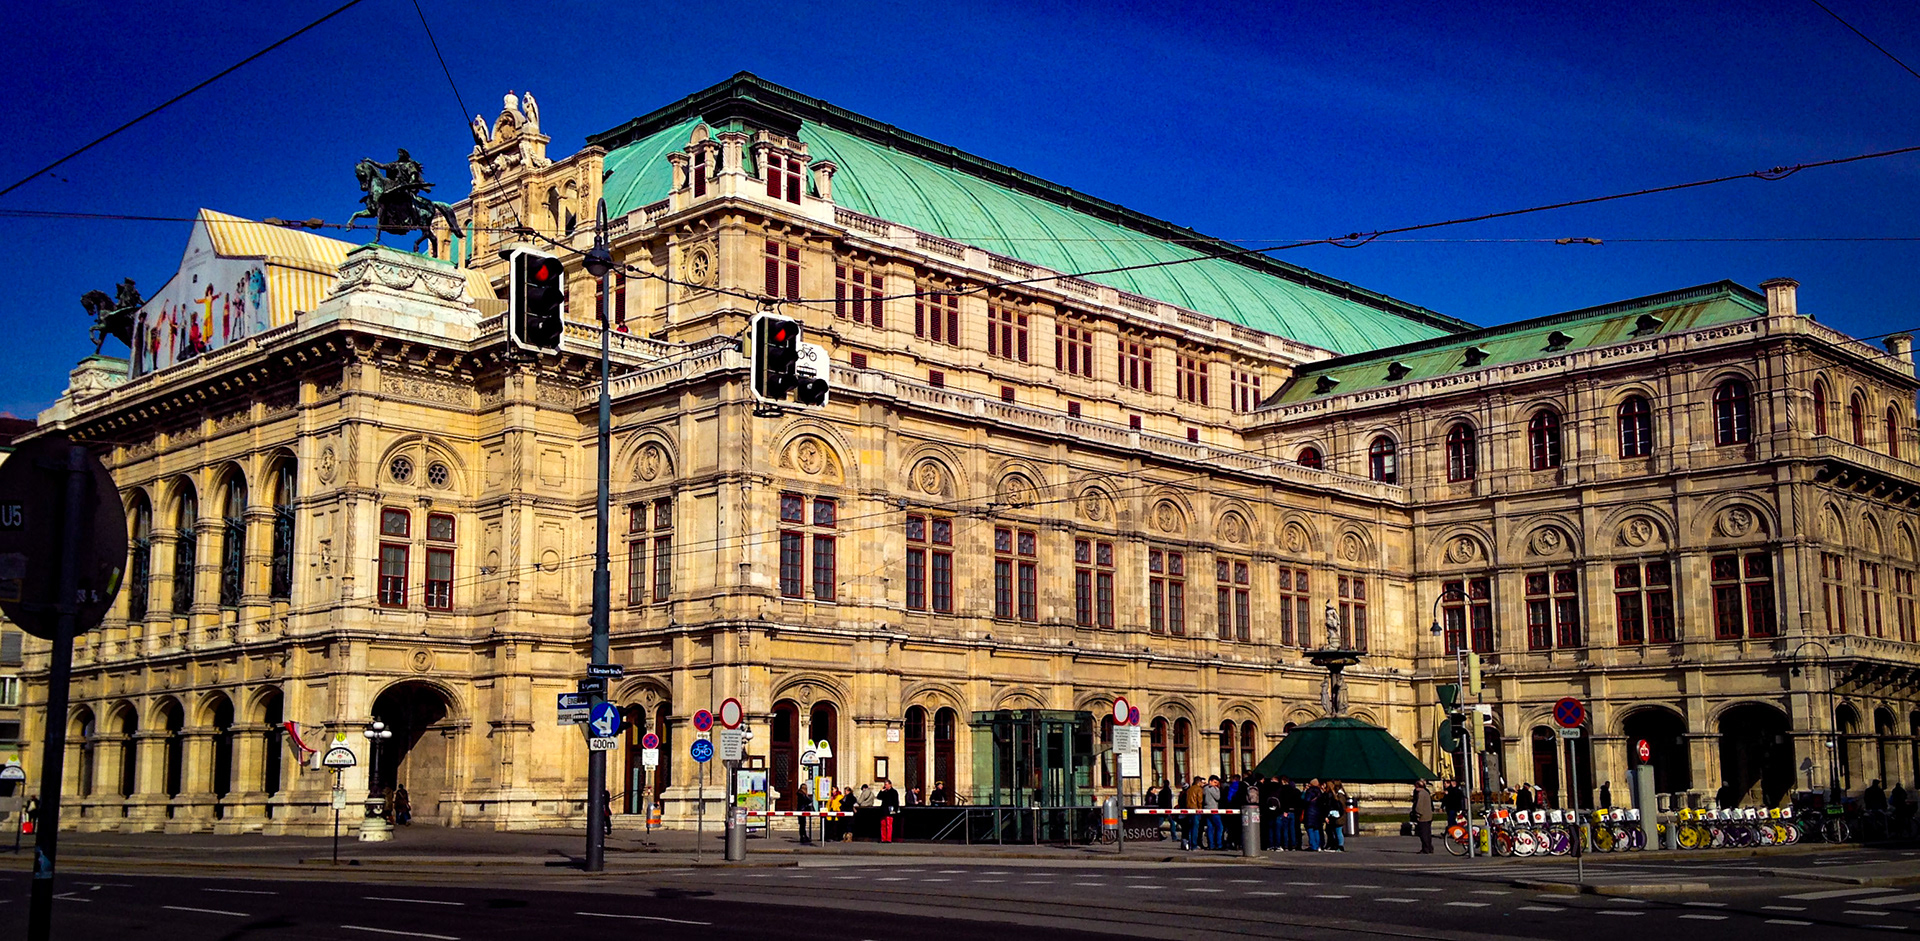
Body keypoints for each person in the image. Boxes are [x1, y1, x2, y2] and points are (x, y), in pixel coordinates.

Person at [1277, 776, 1302, 851]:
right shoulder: (1294, 790)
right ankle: (1293, 845)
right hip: (1293, 811)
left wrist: (1284, 810)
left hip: (1285, 811)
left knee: (1285, 829)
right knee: (1292, 829)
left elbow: (1282, 801)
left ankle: (1286, 845)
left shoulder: (1282, 790)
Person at [1411, 780, 1436, 854]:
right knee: (1428, 833)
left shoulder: (1421, 794)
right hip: (1428, 815)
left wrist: (1417, 814)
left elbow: (1419, 805)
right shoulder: (1426, 792)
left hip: (1423, 817)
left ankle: (1426, 848)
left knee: (1423, 834)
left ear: (1417, 786)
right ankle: (1429, 847)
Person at [1181, 776, 1205, 850]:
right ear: (1199, 782)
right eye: (1202, 782)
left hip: (1189, 810)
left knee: (1190, 828)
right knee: (1195, 828)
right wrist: (1200, 810)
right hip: (1196, 810)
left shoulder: (1189, 789)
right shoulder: (1199, 789)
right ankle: (1194, 845)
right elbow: (1200, 800)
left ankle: (1190, 844)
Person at [1302, 779, 1326, 851]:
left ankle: (1313, 845)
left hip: (1310, 813)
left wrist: (1304, 792)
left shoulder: (1310, 791)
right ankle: (1318, 845)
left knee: (1310, 829)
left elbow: (1305, 800)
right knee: (1316, 829)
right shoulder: (1320, 792)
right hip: (1318, 813)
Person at [1326, 780, 1349, 851]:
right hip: (1339, 815)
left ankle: (1340, 845)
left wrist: (1339, 813)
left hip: (1339, 816)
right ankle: (1337, 845)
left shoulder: (1340, 795)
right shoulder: (1339, 795)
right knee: (1336, 831)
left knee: (1338, 831)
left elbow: (1341, 806)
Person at [1203, 775, 1224, 850]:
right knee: (1219, 827)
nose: (1216, 784)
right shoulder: (1212, 789)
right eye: (1215, 782)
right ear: (1210, 781)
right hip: (1213, 809)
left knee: (1210, 827)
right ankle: (1219, 844)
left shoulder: (1204, 788)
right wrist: (1217, 789)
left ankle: (1211, 844)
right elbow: (1217, 797)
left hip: (1206, 809)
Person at [878, 778, 901, 843]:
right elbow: (878, 797)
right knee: (883, 825)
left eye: (887, 784)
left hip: (890, 810)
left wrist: (896, 809)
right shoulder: (884, 792)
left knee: (889, 825)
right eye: (885, 785)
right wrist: (881, 791)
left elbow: (896, 801)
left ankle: (888, 839)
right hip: (883, 810)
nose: (886, 786)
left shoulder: (894, 792)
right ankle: (883, 838)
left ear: (890, 785)